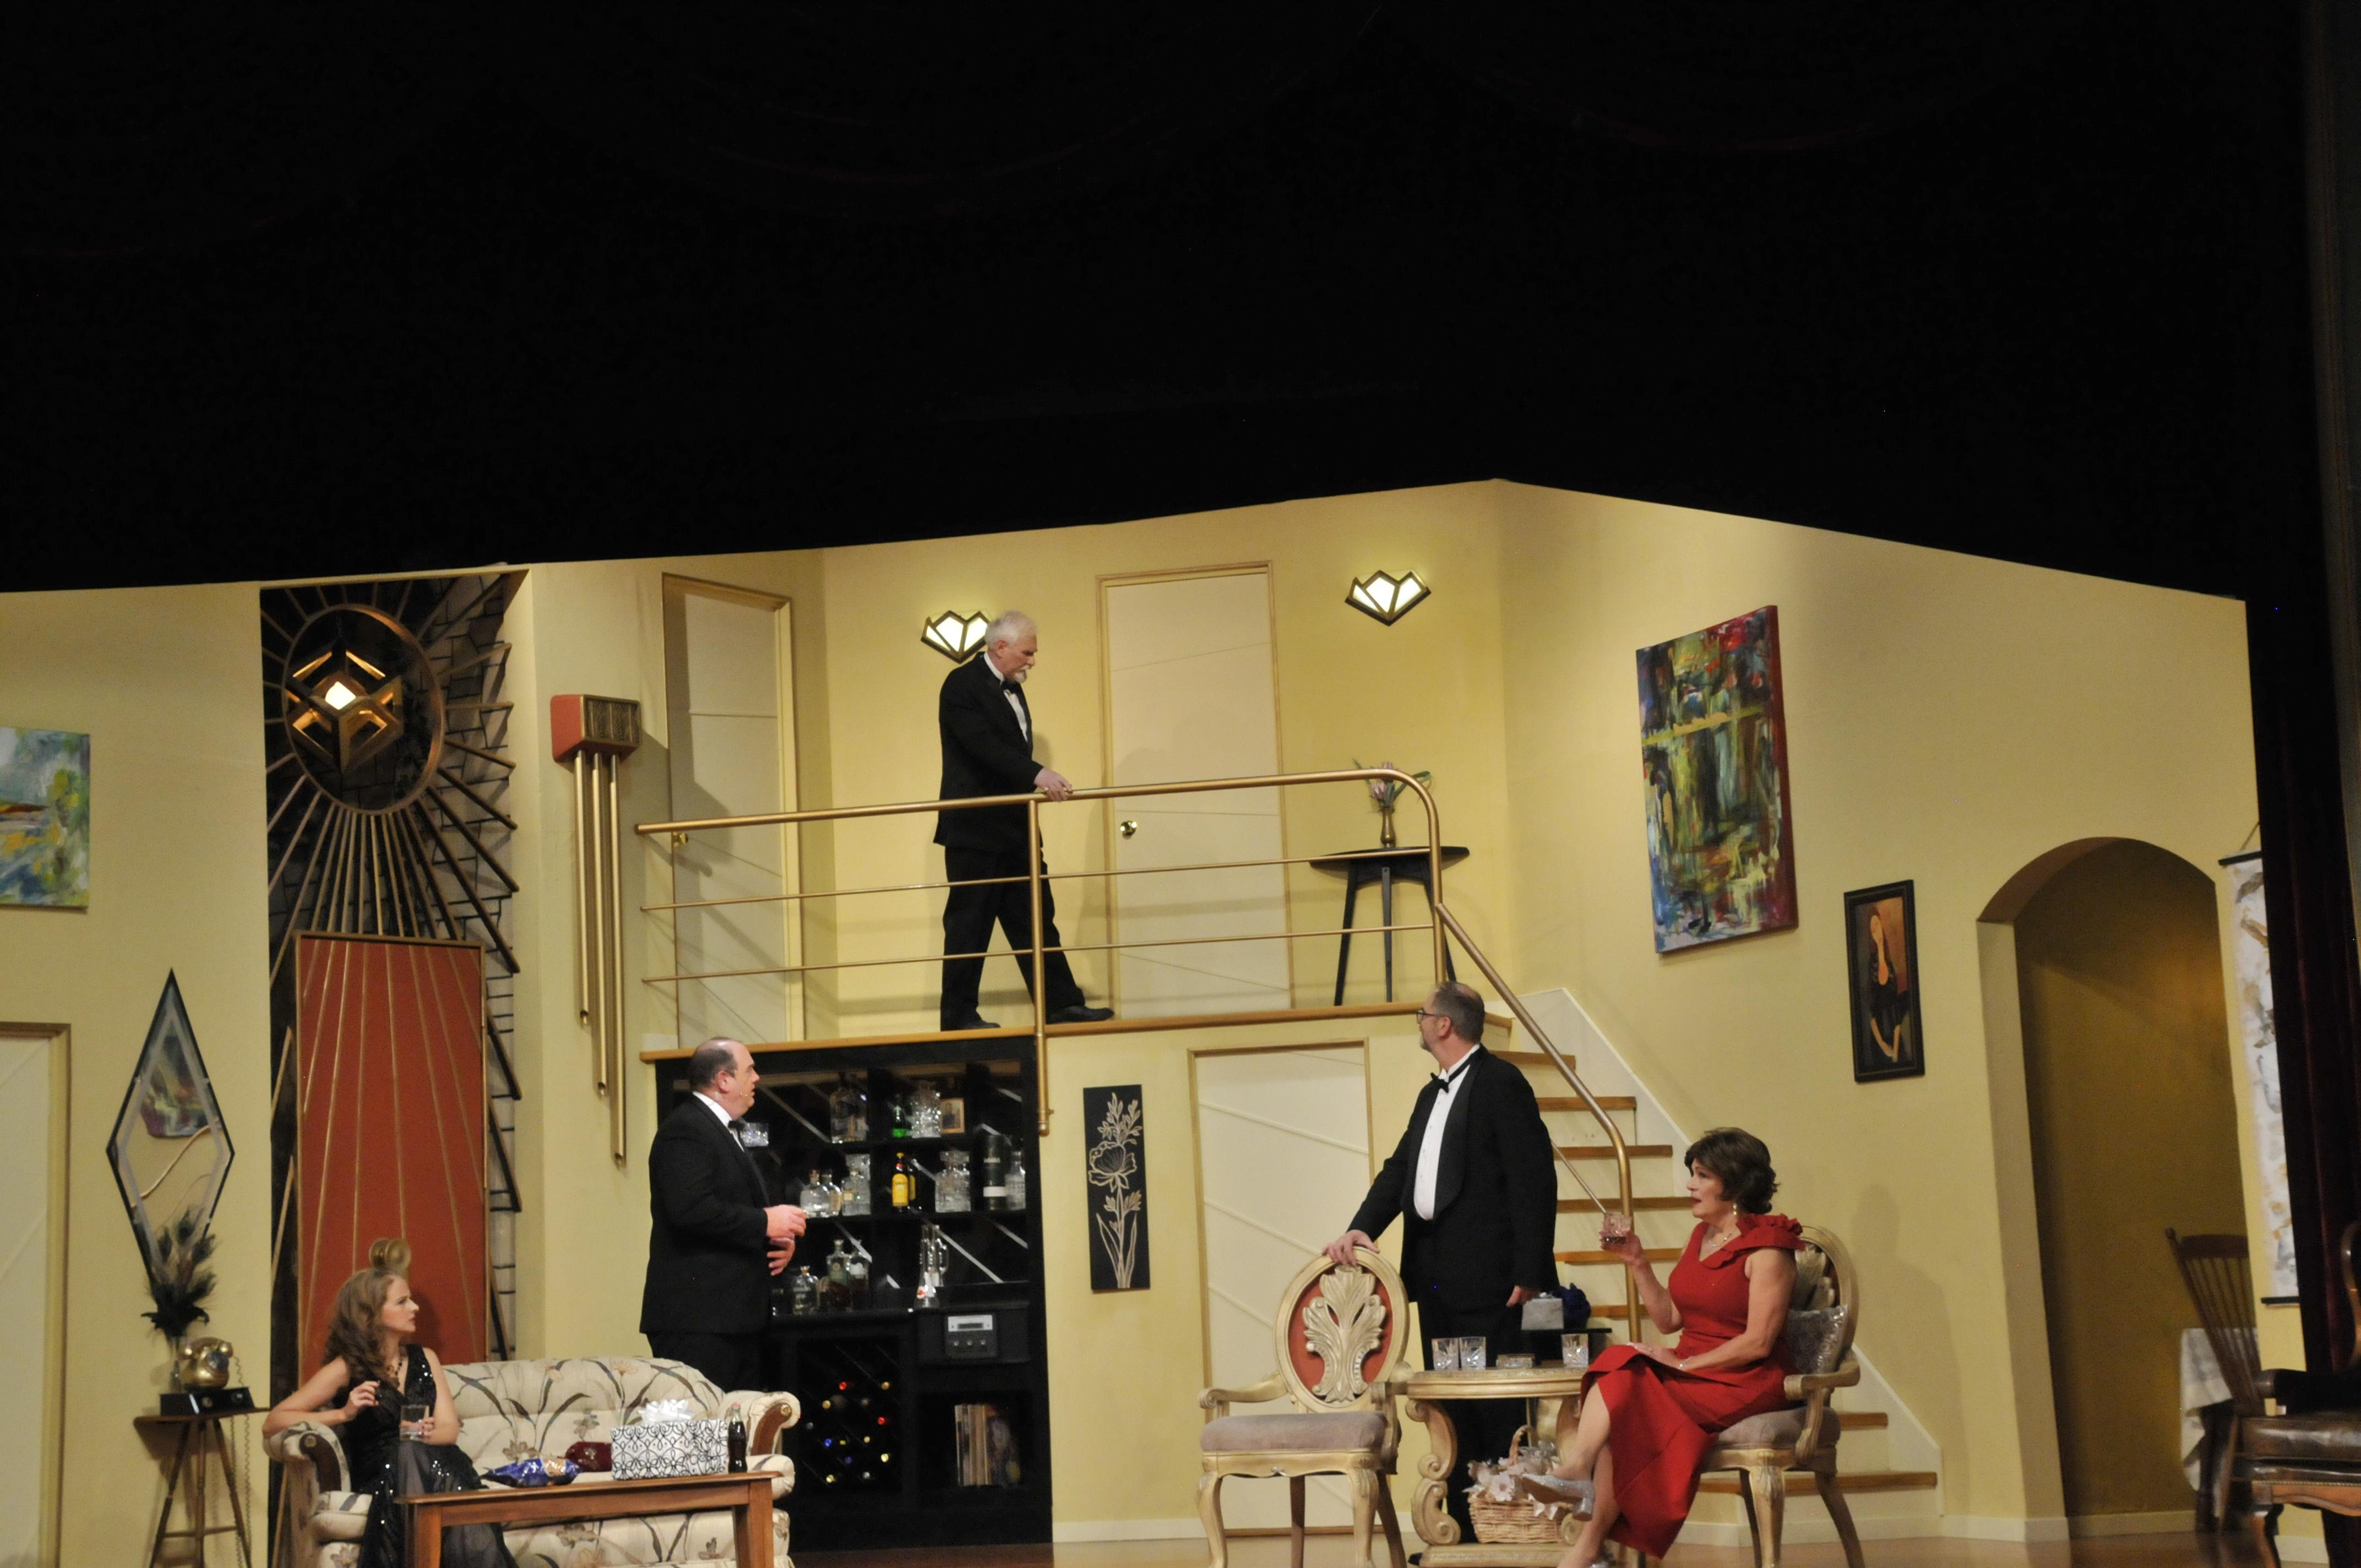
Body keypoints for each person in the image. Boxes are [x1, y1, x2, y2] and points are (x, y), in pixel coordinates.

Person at [1324, 981, 1557, 1536]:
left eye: (1423, 1014)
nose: (1420, 1021)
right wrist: (1361, 1226)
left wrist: (1531, 1269)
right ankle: (1463, 1533)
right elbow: (1400, 1170)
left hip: (1494, 1279)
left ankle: (1504, 1533)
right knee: (1450, 1409)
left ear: (1444, 1024)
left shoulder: (1502, 1082)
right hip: (1435, 1279)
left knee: (1496, 1409)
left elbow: (1533, 1178)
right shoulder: (1431, 1095)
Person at [1531, 1128, 1804, 1567]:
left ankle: (1583, 1523)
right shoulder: (1702, 1237)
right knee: (1621, 1374)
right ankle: (1583, 1514)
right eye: (1692, 1174)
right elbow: (1669, 1319)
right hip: (1696, 1369)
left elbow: (1758, 1343)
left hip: (1745, 1379)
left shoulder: (1769, 1247)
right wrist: (1636, 1260)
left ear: (1735, 1183)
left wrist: (1685, 1364)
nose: (1690, 1185)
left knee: (1627, 1377)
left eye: (1702, 1176)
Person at [264, 1239, 517, 1568]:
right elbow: (274, 1420)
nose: (415, 1308)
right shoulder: (347, 1367)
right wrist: (343, 1414)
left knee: (420, 1455)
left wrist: (426, 1433)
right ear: (371, 1315)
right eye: (403, 1302)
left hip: (437, 1465)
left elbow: (450, 1429)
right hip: (384, 1475)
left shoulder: (426, 1358)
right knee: (408, 1454)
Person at [935, 609, 1112, 1031]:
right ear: (1001, 647)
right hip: (975, 830)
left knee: (1035, 918)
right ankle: (958, 1017)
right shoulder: (961, 684)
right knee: (969, 927)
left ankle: (1061, 1004)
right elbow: (982, 746)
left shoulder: (1012, 686)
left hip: (1015, 828)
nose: (1033, 660)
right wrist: (1038, 774)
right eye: (1027, 653)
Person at [639, 1037, 806, 1391]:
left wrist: (774, 1240)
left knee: (738, 1421)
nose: (756, 1078)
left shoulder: (717, 1129)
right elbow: (690, 1210)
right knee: (705, 1422)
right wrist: (765, 1222)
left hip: (732, 1318)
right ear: (724, 1080)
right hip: (699, 1321)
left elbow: (727, 1208)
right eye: (749, 1070)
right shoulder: (686, 1130)